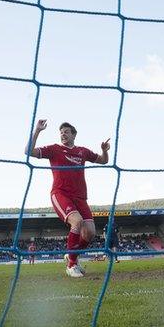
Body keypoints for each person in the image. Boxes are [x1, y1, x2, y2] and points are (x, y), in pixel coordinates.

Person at [25, 119, 110, 278]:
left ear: (74, 134)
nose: (63, 134)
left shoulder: (82, 151)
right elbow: (28, 151)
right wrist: (37, 130)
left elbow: (104, 161)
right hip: (61, 194)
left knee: (90, 233)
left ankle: (72, 255)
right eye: (61, 132)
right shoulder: (55, 149)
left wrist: (104, 150)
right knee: (77, 221)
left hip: (80, 197)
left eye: (66, 132)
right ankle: (71, 265)